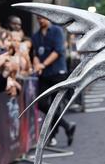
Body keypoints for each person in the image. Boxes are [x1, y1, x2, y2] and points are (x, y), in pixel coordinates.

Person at [31, 16, 76, 147]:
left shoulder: (57, 31)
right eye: (38, 18)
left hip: (57, 73)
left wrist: (42, 65)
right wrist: (37, 63)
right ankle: (67, 126)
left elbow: (57, 51)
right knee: (42, 104)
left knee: (55, 105)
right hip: (44, 75)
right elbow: (34, 53)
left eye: (43, 18)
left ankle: (52, 136)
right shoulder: (36, 35)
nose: (41, 20)